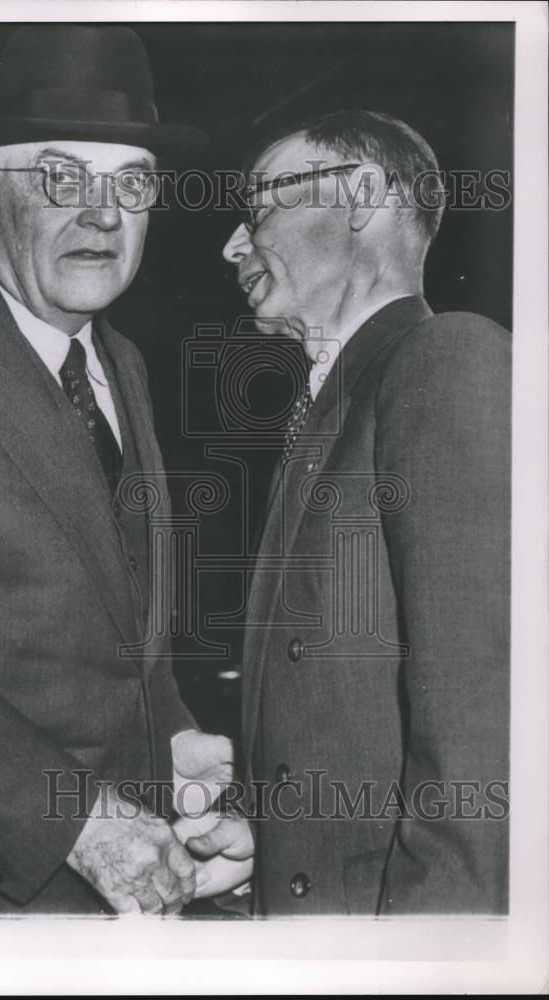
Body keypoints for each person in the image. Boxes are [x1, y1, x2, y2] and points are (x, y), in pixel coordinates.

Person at [0, 23, 235, 916]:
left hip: (113, 903)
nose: (102, 212)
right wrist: (80, 827)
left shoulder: (125, 365)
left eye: (130, 182)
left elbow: (113, 637)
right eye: (61, 177)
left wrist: (167, 740)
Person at [207, 109, 510, 914]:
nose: (233, 245)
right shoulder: (331, 409)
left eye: (259, 204)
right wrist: (270, 845)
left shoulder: (448, 359)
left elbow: (488, 720)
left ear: (363, 195)